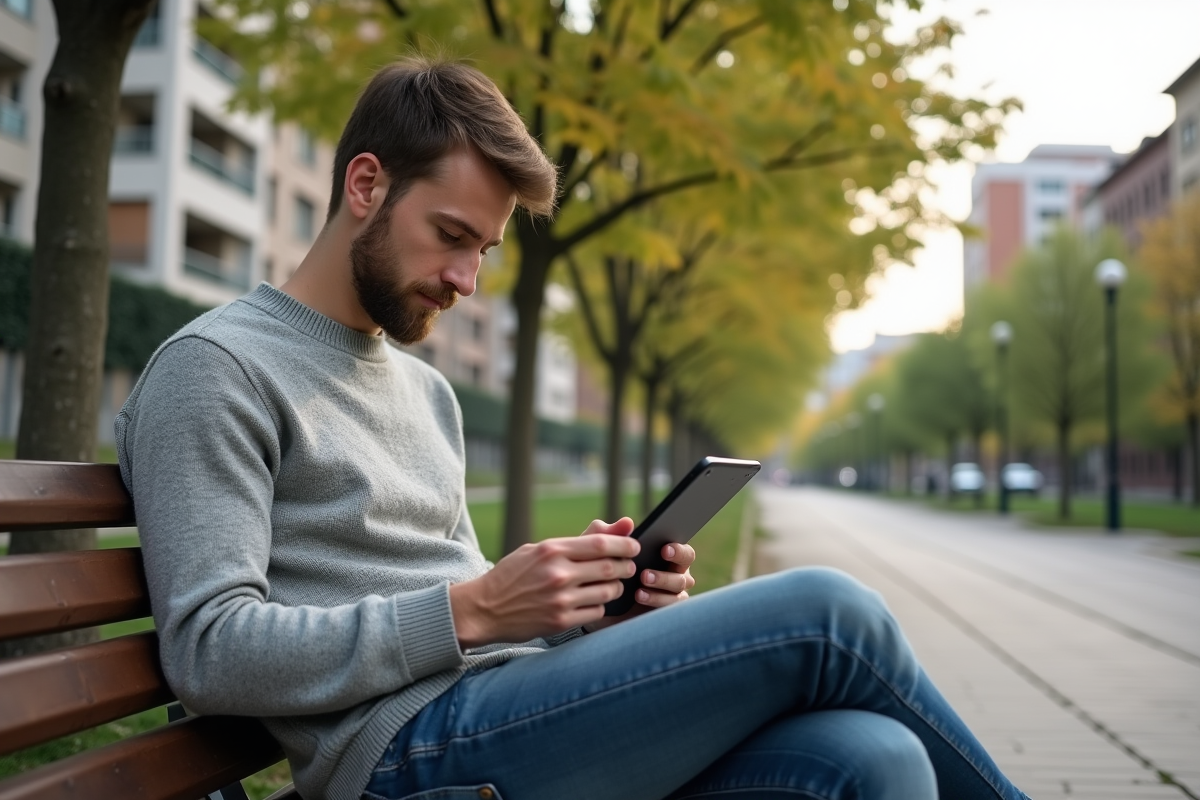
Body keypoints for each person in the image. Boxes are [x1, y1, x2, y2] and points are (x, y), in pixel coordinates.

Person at [116, 57, 1030, 800]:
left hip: (501, 715)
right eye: (451, 235)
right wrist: (473, 609)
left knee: (876, 759)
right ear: (365, 184)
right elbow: (208, 649)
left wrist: (585, 614)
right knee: (832, 614)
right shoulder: (217, 369)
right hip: (403, 760)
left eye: (484, 250)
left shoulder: (425, 393)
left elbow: (457, 607)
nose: (467, 279)